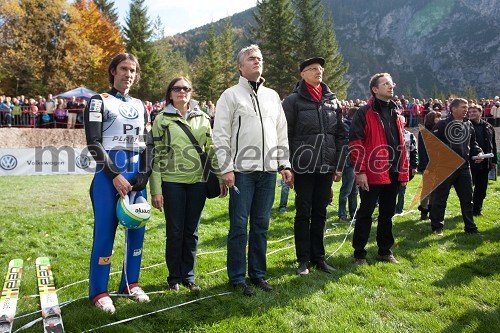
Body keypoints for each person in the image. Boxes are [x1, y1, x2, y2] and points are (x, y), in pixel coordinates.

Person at [213, 44, 293, 296]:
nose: (257, 61)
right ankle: (237, 277)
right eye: (251, 58)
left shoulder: (272, 96)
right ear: (240, 66)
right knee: (238, 225)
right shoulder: (230, 95)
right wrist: (226, 167)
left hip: (268, 171)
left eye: (259, 58)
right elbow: (220, 134)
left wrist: (285, 163)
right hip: (241, 172)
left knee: (261, 224)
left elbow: (281, 132)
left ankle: (258, 274)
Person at [84, 53, 154, 314]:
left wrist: (143, 175)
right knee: (105, 233)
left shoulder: (141, 105)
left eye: (133, 70)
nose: (129, 74)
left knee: (137, 231)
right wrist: (114, 175)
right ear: (113, 71)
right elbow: (93, 142)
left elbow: (149, 144)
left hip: (136, 177)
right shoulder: (98, 101)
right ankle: (99, 292)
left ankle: (129, 283)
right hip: (108, 177)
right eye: (124, 69)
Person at [150, 77, 227, 292]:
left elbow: (211, 149)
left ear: (191, 92)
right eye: (177, 88)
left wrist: (220, 177)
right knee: (175, 231)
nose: (181, 92)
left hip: (198, 183)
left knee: (191, 232)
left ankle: (189, 277)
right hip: (172, 182)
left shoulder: (202, 117)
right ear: (170, 93)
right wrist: (156, 189)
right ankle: (174, 278)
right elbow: (155, 155)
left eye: (186, 88)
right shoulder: (161, 119)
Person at [282, 56, 346, 275]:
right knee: (303, 212)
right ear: (302, 74)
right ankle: (303, 259)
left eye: (320, 69)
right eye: (312, 69)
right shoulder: (292, 101)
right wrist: (288, 165)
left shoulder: (332, 101)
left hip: (326, 166)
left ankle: (319, 257)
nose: (318, 71)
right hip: (303, 166)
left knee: (321, 212)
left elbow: (340, 135)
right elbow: (285, 136)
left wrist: (338, 165)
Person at [349, 73, 409, 265]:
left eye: (391, 83)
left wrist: (404, 169)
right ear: (375, 89)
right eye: (385, 84)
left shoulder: (396, 113)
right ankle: (359, 253)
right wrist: (360, 171)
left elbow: (401, 144)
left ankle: (384, 251)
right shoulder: (364, 112)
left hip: (392, 171)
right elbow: (356, 143)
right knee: (365, 213)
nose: (391, 86)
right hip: (372, 172)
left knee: (387, 214)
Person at [429, 98, 483, 236]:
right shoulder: (442, 124)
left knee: (467, 199)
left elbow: (473, 143)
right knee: (440, 199)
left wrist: (479, 152)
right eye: (463, 107)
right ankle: (437, 228)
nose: (466, 109)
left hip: (464, 168)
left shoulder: (468, 124)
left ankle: (470, 228)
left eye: (467, 107)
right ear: (453, 109)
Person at [467, 104, 497, 216]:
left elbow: (493, 145)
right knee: (468, 189)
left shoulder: (489, 127)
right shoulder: (466, 126)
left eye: (474, 111)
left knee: (481, 188)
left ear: (481, 112)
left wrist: (494, 161)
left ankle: (477, 210)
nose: (471, 114)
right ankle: (468, 209)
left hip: (485, 163)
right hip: (471, 162)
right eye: (470, 112)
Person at [416, 111, 442, 220]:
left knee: (435, 190)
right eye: (437, 117)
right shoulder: (423, 132)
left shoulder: (440, 130)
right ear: (432, 118)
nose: (440, 120)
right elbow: (423, 151)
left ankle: (432, 211)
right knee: (427, 190)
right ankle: (424, 211)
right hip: (428, 164)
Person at [338, 107, 359, 223]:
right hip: (348, 161)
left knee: (354, 190)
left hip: (356, 162)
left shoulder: (356, 126)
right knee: (346, 189)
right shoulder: (346, 126)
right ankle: (342, 214)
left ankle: (353, 214)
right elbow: (346, 144)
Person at [395, 116, 418, 214]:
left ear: (405, 123)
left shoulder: (410, 135)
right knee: (391, 190)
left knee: (402, 189)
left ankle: (399, 209)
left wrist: (414, 166)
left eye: (402, 122)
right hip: (393, 166)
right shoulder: (391, 135)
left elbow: (414, 152)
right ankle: (389, 208)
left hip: (405, 166)